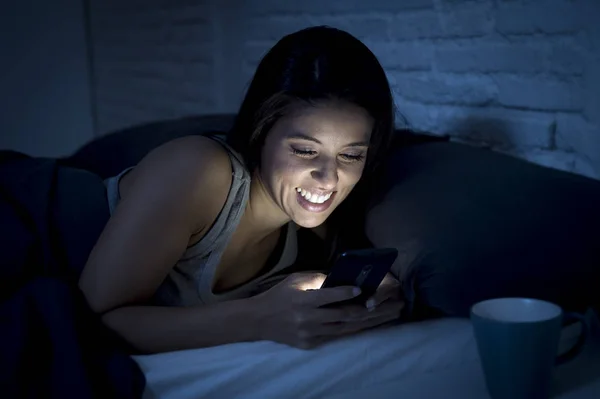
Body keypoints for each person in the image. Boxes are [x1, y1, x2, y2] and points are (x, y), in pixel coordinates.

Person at [78, 26, 404, 354]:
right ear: (260, 131)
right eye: (304, 150)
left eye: (350, 155)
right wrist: (257, 318)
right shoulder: (198, 171)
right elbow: (87, 323)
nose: (329, 179)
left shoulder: (317, 235)